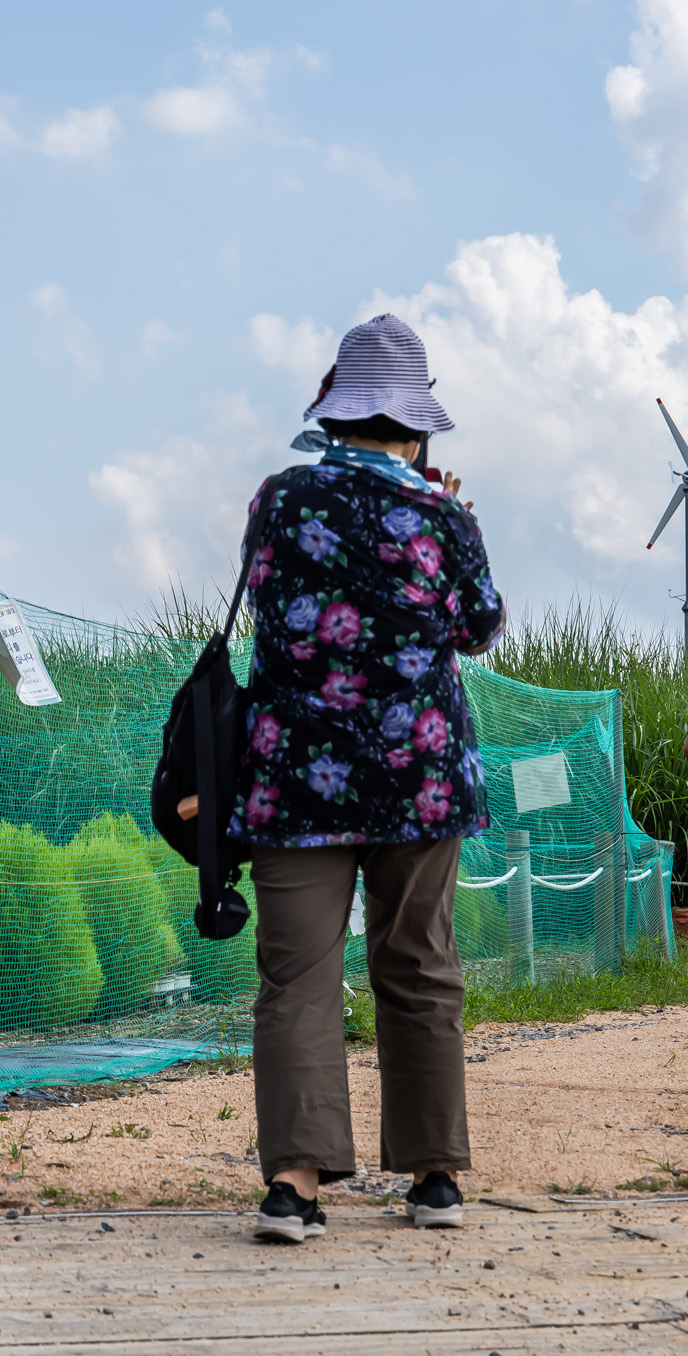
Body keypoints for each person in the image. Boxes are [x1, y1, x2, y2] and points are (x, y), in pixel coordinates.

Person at [229, 313, 503, 1243]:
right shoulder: (441, 514)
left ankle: (295, 1185)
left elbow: (268, 599)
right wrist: (445, 513)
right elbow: (476, 625)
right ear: (415, 424)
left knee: (296, 975)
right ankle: (433, 1178)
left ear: (335, 412)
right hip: (417, 780)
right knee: (419, 965)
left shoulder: (279, 499)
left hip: (294, 778)